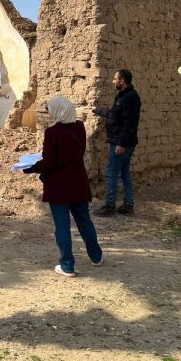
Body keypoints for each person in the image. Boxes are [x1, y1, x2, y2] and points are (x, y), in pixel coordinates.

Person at [23, 96, 103, 277]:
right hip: (78, 183)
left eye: (51, 110)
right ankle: (96, 256)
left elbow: (49, 162)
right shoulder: (80, 127)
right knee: (84, 221)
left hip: (59, 187)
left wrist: (30, 167)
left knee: (62, 226)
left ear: (58, 111)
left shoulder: (53, 133)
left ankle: (67, 265)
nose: (50, 112)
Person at [93, 69, 142, 216]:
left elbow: (129, 124)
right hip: (122, 141)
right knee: (124, 173)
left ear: (122, 81)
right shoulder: (123, 96)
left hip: (121, 143)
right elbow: (114, 115)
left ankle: (109, 206)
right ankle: (128, 205)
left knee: (111, 172)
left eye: (115, 79)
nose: (113, 81)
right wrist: (97, 110)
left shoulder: (130, 98)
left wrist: (121, 143)